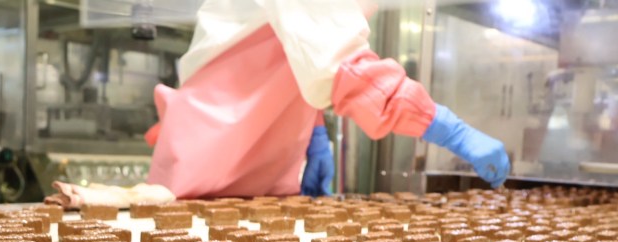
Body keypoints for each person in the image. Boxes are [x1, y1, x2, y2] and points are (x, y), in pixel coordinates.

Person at [145, 0, 509, 199]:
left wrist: (314, 129)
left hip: (248, 166)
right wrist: (446, 128)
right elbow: (349, 70)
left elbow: (298, 58)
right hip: (209, 159)